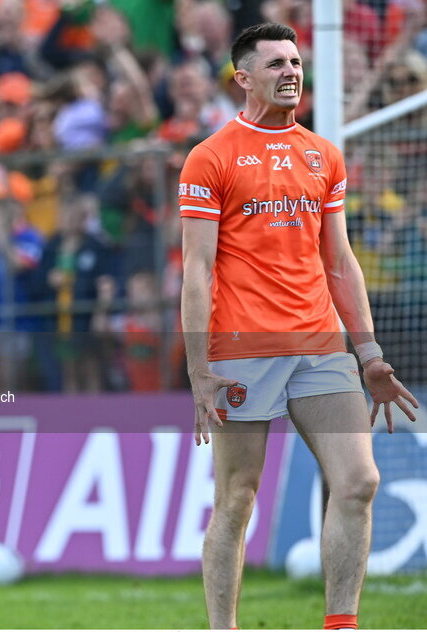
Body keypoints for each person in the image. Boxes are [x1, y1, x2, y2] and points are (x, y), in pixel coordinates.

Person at [179, 23, 419, 631]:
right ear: (243, 77)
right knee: (236, 499)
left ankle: (340, 624)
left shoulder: (323, 154)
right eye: (276, 63)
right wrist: (197, 370)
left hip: (319, 345)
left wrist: (369, 354)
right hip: (242, 347)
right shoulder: (210, 157)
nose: (292, 71)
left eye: (295, 60)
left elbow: (339, 261)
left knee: (360, 481)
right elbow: (197, 270)